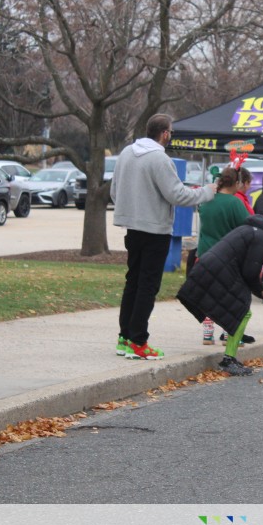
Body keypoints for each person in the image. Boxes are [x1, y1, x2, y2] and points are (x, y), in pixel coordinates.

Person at [111, 113, 216, 360]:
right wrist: (207, 191)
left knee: (133, 282)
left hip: (132, 228)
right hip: (155, 230)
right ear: (165, 133)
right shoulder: (160, 158)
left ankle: (125, 337)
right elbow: (177, 195)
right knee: (147, 286)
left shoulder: (127, 153)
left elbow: (115, 190)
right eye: (171, 132)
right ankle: (139, 341)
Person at [177, 214, 263, 375]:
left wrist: (260, 288)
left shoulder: (250, 229)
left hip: (210, 266)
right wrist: (262, 289)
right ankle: (228, 360)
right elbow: (250, 273)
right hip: (220, 271)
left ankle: (229, 352)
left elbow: (247, 270)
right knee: (243, 313)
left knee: (236, 310)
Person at [197, 166, 251, 344]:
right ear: (236, 183)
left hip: (205, 253)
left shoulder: (206, 201)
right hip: (227, 256)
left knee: (209, 295)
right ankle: (228, 333)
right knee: (229, 296)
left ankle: (207, 333)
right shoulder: (235, 203)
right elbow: (246, 226)